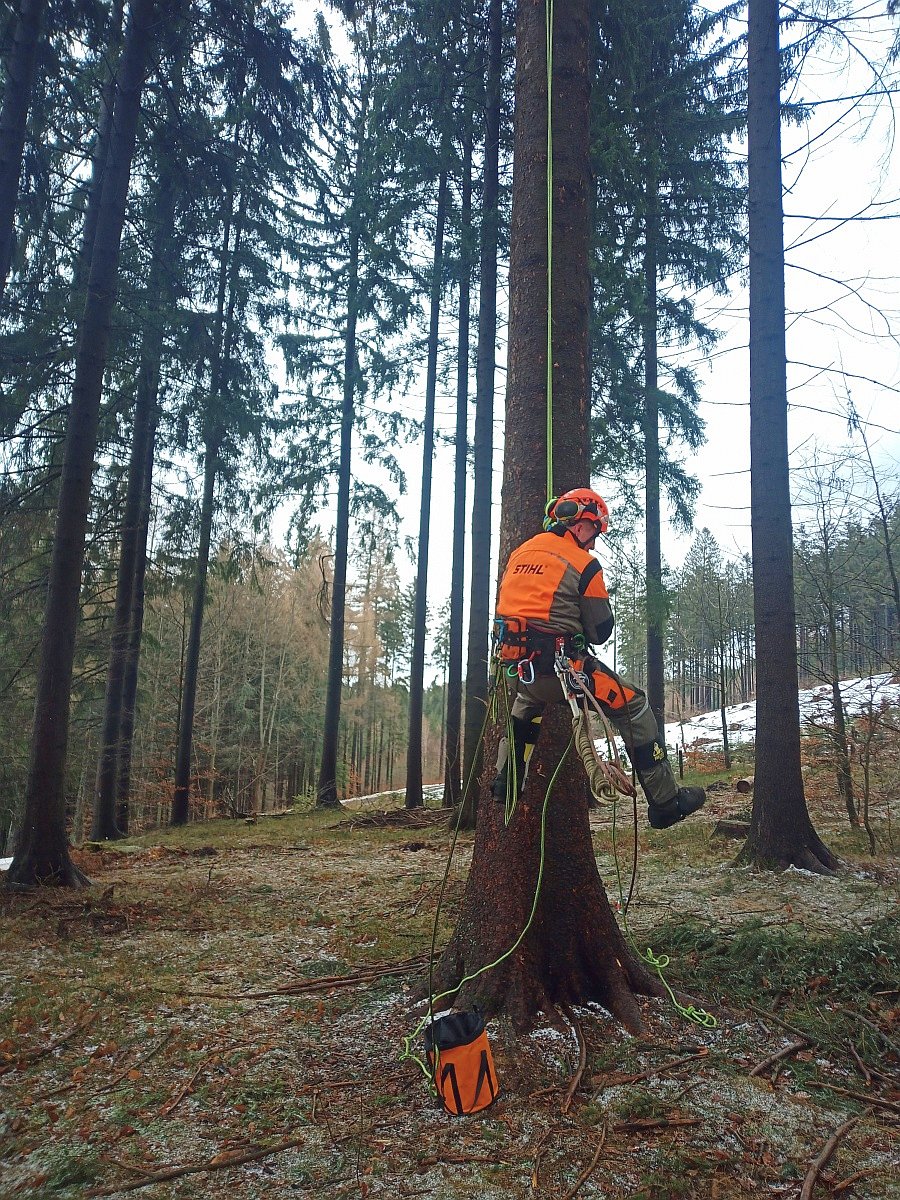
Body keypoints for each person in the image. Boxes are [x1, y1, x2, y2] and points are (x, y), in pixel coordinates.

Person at [492, 487, 705, 829]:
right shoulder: (583, 563)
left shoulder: (519, 553)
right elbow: (600, 631)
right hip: (565, 673)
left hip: (519, 671)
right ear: (580, 524)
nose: (593, 543)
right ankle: (666, 803)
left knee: (525, 705)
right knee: (635, 707)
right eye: (594, 532)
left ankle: (506, 782)